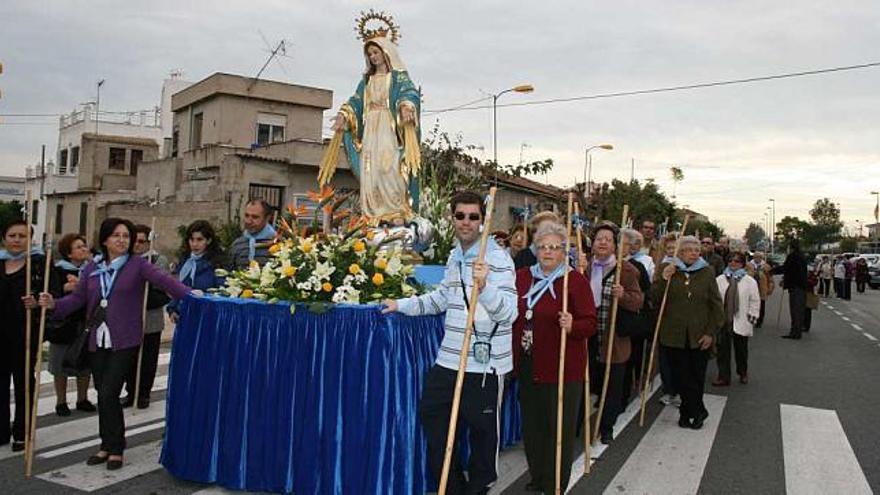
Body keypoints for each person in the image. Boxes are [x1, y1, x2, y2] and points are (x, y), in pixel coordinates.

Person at [381, 191, 517, 493]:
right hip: (449, 360)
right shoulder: (455, 254)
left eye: (473, 217)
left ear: (483, 221)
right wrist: (401, 305)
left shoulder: (497, 258)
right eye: (460, 216)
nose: (466, 222)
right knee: (435, 423)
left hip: (485, 366)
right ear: (452, 218)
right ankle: (451, 486)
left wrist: (485, 287)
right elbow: (442, 298)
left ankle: (479, 486)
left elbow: (509, 312)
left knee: (483, 438)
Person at [38, 218, 196, 470]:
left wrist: (195, 297)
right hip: (96, 339)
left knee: (110, 391)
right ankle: (107, 445)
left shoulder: (137, 266)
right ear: (104, 240)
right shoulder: (92, 267)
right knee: (103, 394)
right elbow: (78, 299)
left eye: (126, 236)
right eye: (116, 235)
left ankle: (116, 448)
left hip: (125, 340)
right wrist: (54, 304)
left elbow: (168, 283)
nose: (122, 240)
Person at [512, 222, 597, 494]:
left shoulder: (575, 281)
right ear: (535, 250)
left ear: (564, 252)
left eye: (554, 247)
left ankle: (555, 484)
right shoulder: (523, 276)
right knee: (534, 427)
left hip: (561, 367)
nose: (548, 252)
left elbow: (590, 324)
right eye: (543, 247)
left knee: (557, 430)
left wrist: (573, 325)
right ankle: (538, 477)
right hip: (528, 364)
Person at [325, 27, 421, 222]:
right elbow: (356, 101)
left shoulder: (398, 77)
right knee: (372, 170)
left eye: (376, 52)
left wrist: (405, 106)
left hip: (389, 128)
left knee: (389, 167)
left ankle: (395, 209)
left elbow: (409, 93)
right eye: (370, 54)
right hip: (371, 131)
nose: (373, 57)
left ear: (387, 52)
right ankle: (373, 213)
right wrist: (344, 115)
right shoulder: (367, 80)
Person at [1, 220, 62, 451]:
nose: (17, 240)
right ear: (4, 238)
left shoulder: (40, 265)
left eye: (22, 236)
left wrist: (37, 302)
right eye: (12, 235)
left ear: (30, 239)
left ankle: (22, 431)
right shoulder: (0, 262)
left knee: (24, 382)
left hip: (25, 334)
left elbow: (53, 295)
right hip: (0, 334)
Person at [655, 236, 724, 429]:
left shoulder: (707, 272)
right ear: (680, 252)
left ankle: (693, 412)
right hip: (673, 335)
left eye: (696, 249)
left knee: (696, 376)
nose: (694, 252)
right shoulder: (668, 270)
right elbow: (655, 298)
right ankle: (693, 410)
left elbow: (716, 305)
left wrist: (710, 332)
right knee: (680, 377)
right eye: (689, 249)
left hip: (699, 335)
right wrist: (663, 279)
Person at [583, 223, 643, 444]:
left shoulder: (625, 271)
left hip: (614, 339)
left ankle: (607, 426)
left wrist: (624, 295)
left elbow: (638, 301)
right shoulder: (584, 268)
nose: (603, 242)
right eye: (599, 238)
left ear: (615, 245)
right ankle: (580, 422)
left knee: (612, 386)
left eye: (608, 239)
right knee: (586, 382)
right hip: (587, 338)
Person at [121, 224, 172, 409]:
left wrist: (142, 291)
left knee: (148, 359)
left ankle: (143, 394)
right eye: (134, 241)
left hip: (150, 319)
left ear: (148, 242)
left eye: (141, 242)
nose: (137, 245)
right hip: (128, 319)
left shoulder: (158, 260)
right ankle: (130, 392)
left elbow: (163, 291)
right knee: (129, 358)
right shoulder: (125, 260)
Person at [50, 233, 97, 416]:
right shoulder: (57, 270)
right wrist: (65, 288)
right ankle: (61, 401)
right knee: (59, 363)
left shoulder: (91, 270)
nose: (84, 249)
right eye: (78, 247)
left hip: (85, 321)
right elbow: (51, 292)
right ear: (69, 253)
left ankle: (82, 398)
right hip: (63, 324)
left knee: (84, 362)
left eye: (84, 246)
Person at [713, 252, 760, 386]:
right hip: (723, 320)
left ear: (742, 264)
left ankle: (742, 372)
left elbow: (755, 300)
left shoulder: (749, 281)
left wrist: (753, 316)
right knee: (722, 350)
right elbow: (714, 299)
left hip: (741, 319)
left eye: (737, 261)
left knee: (741, 350)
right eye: (731, 261)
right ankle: (723, 376)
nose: (733, 263)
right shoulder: (720, 279)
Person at [229, 199, 277, 270]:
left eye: (255, 217)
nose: (249, 221)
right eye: (246, 215)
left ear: (267, 218)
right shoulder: (237, 245)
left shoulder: (277, 245)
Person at [777, 240, 808, 340]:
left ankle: (795, 333)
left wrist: (771, 271)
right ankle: (796, 331)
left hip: (796, 287)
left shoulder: (793, 256)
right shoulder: (801, 256)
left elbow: (786, 268)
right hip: (801, 287)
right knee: (799, 310)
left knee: (795, 310)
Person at [746, 252, 774, 328]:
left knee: (761, 305)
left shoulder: (766, 266)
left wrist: (770, 288)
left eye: (759, 257)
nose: (757, 259)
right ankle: (750, 318)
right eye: (756, 257)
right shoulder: (748, 265)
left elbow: (770, 278)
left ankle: (760, 321)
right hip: (750, 288)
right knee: (750, 304)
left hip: (762, 288)